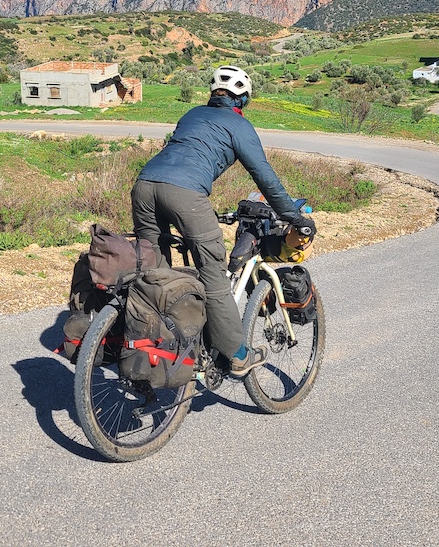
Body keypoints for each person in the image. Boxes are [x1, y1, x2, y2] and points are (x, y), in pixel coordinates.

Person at [130, 65, 308, 377]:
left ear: (213, 94)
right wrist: (293, 216)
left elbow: (182, 152)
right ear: (244, 100)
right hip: (186, 195)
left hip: (144, 185)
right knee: (213, 274)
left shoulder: (192, 114)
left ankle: (156, 344)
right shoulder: (240, 126)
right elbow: (264, 177)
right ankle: (239, 355)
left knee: (153, 272)